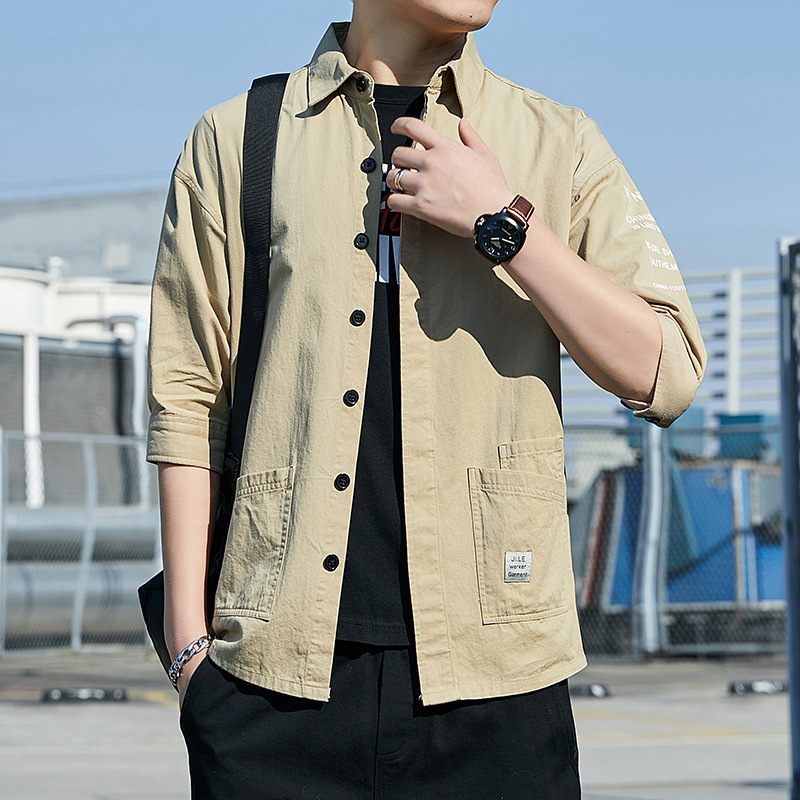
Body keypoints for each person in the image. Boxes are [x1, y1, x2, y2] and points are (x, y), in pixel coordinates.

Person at [145, 1, 708, 798]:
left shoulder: (556, 140)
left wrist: (503, 224)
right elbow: (188, 394)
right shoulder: (239, 138)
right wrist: (188, 651)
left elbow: (667, 372)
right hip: (271, 680)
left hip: (497, 682)